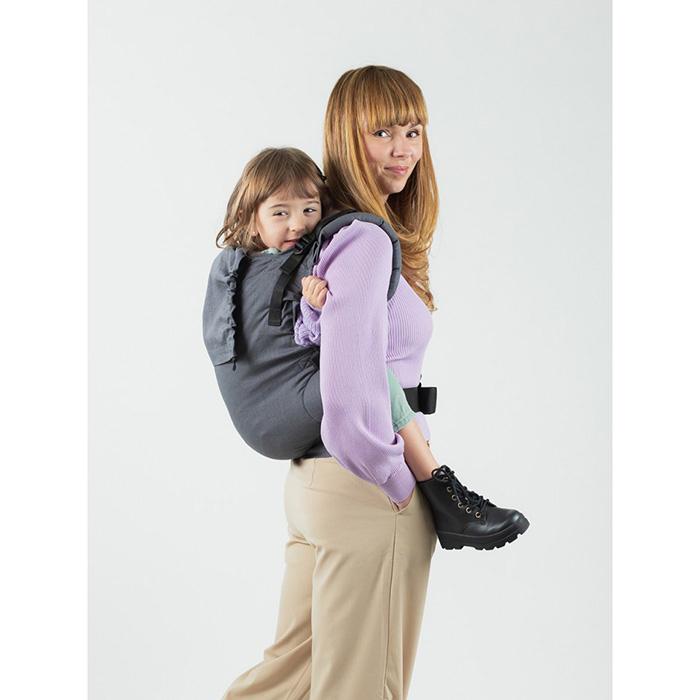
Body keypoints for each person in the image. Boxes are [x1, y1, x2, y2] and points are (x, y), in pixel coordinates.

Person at [219, 65, 526, 700]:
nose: (402, 149)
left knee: (285, 683)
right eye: (381, 131)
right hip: (364, 483)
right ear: (344, 135)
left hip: (313, 486)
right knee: (361, 688)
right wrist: (394, 479)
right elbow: (349, 384)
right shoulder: (360, 238)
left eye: (413, 131)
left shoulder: (318, 232)